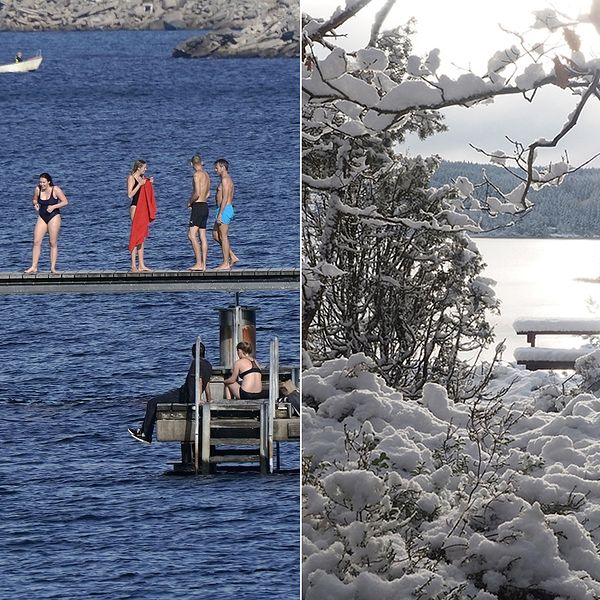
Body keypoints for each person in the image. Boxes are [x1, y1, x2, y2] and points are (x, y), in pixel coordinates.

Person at [128, 342, 213, 444]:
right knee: (157, 401)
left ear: (193, 353)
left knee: (152, 402)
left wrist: (198, 399)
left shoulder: (196, 363)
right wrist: (209, 399)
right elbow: (207, 382)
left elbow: (199, 380)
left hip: (184, 396)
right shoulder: (209, 365)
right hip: (186, 394)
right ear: (205, 352)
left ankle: (145, 434)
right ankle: (145, 433)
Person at [24, 172, 69, 274]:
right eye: (40, 182)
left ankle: (53, 268)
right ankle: (34, 267)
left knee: (52, 243)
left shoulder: (55, 189)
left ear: (48, 182)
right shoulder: (38, 189)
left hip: (54, 216)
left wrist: (53, 206)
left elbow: (65, 202)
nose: (42, 184)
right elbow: (35, 199)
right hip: (42, 216)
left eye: (44, 182)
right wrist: (35, 204)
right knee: (36, 241)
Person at [127, 159, 154, 272]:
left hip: (142, 208)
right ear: (138, 168)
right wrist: (140, 185)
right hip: (135, 208)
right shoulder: (131, 177)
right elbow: (130, 194)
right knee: (135, 235)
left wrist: (148, 183)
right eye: (144, 167)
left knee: (141, 237)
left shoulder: (142, 178)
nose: (145, 169)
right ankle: (133, 265)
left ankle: (141, 264)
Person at [213, 158, 239, 270]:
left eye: (217, 167)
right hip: (221, 209)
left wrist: (220, 214)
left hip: (224, 209)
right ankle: (232, 256)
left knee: (223, 237)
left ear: (223, 167)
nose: (215, 170)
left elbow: (225, 198)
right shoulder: (225, 179)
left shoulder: (225, 179)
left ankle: (226, 263)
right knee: (215, 235)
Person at [187, 154, 211, 271]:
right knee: (202, 236)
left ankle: (198, 263)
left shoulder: (196, 175)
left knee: (191, 235)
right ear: (201, 162)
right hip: (205, 205)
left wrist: (189, 202)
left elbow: (197, 193)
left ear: (192, 164)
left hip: (198, 205)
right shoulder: (207, 175)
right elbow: (208, 194)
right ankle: (204, 265)